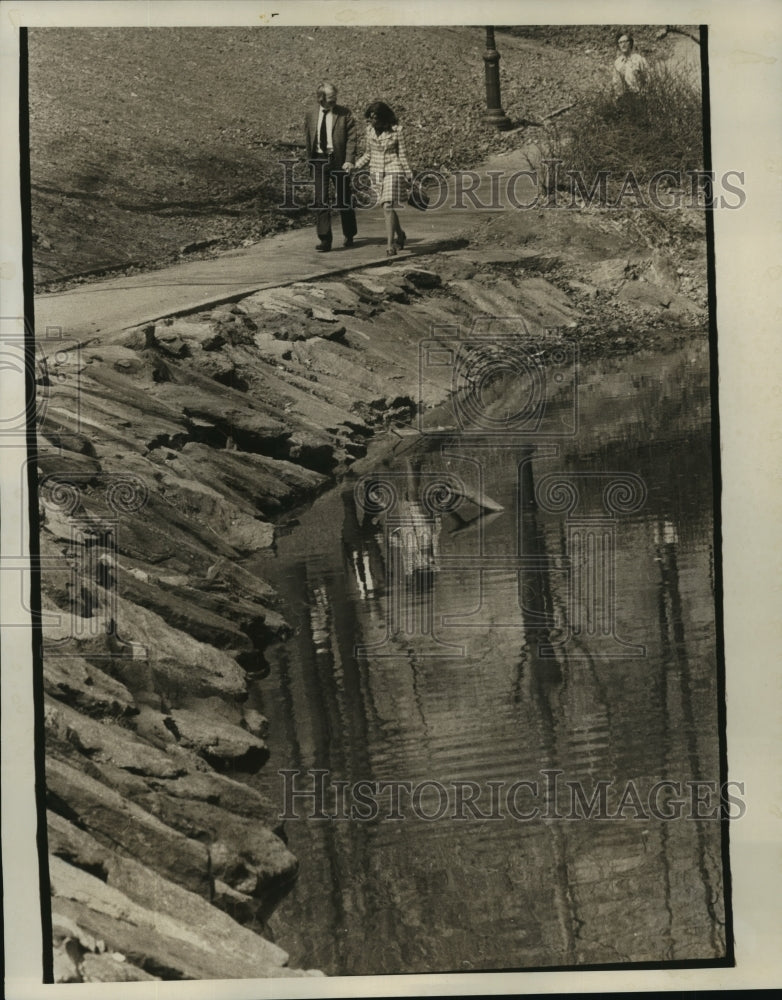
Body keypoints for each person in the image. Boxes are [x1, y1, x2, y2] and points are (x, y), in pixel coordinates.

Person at [354, 101, 413, 256]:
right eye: (370, 118)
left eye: (375, 118)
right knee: (388, 207)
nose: (372, 121)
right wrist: (355, 166)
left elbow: (403, 155)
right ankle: (400, 234)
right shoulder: (369, 131)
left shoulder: (397, 131)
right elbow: (368, 154)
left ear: (384, 118)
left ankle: (390, 245)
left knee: (387, 205)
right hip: (376, 171)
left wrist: (408, 173)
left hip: (394, 169)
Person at [304, 81, 358, 252]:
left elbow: (352, 139)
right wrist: (309, 160)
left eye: (335, 99)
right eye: (330, 99)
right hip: (319, 160)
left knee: (343, 198)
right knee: (321, 199)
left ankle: (349, 233)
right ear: (320, 99)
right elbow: (308, 137)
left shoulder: (344, 113)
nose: (334, 102)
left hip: (339, 160)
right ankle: (325, 239)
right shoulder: (311, 113)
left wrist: (349, 160)